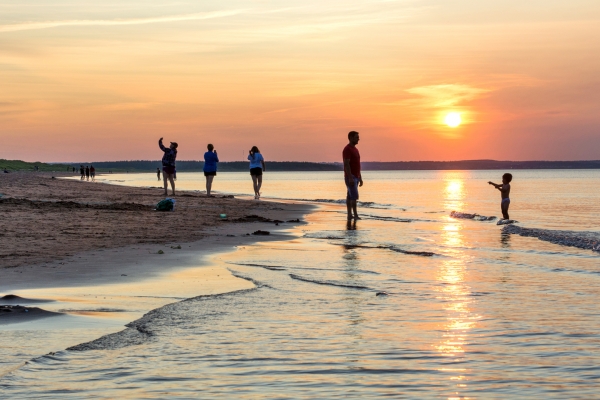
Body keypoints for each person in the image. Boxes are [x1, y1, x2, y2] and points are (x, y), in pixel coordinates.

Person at [343, 131, 363, 221]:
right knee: (353, 196)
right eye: (356, 137)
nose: (358, 139)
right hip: (351, 177)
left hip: (356, 176)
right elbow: (346, 164)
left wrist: (360, 177)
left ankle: (349, 215)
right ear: (351, 138)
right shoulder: (347, 149)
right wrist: (350, 177)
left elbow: (357, 164)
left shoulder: (355, 149)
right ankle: (355, 215)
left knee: (350, 196)